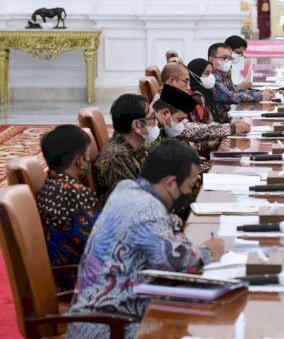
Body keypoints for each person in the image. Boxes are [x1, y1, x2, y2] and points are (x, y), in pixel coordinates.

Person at [66, 139, 226, 339]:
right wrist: (211, 251)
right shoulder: (146, 208)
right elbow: (179, 262)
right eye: (190, 186)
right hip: (109, 326)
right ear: (170, 183)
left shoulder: (128, 189)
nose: (190, 192)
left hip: (113, 311)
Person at [37, 125, 101, 285]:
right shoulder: (77, 194)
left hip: (61, 272)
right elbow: (100, 244)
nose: (89, 162)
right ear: (79, 161)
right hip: (82, 277)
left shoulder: (48, 185)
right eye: (87, 156)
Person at [95, 94, 155, 202]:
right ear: (137, 125)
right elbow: (133, 203)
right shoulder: (117, 158)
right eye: (153, 117)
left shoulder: (134, 147)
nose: (157, 122)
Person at [152, 84, 250, 149]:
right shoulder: (151, 131)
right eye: (180, 120)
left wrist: (206, 145)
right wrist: (232, 128)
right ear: (165, 113)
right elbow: (194, 131)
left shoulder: (164, 120)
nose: (188, 87)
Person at [208, 42, 275, 105]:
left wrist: (261, 92)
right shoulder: (211, 78)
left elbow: (235, 91)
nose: (228, 61)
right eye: (224, 58)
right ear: (211, 60)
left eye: (230, 58)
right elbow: (230, 97)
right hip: (222, 117)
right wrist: (261, 96)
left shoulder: (222, 75)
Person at [187, 58, 228, 124]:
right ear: (196, 73)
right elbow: (200, 126)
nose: (211, 76)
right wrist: (231, 128)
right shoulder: (195, 96)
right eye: (207, 73)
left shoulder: (207, 92)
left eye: (211, 72)